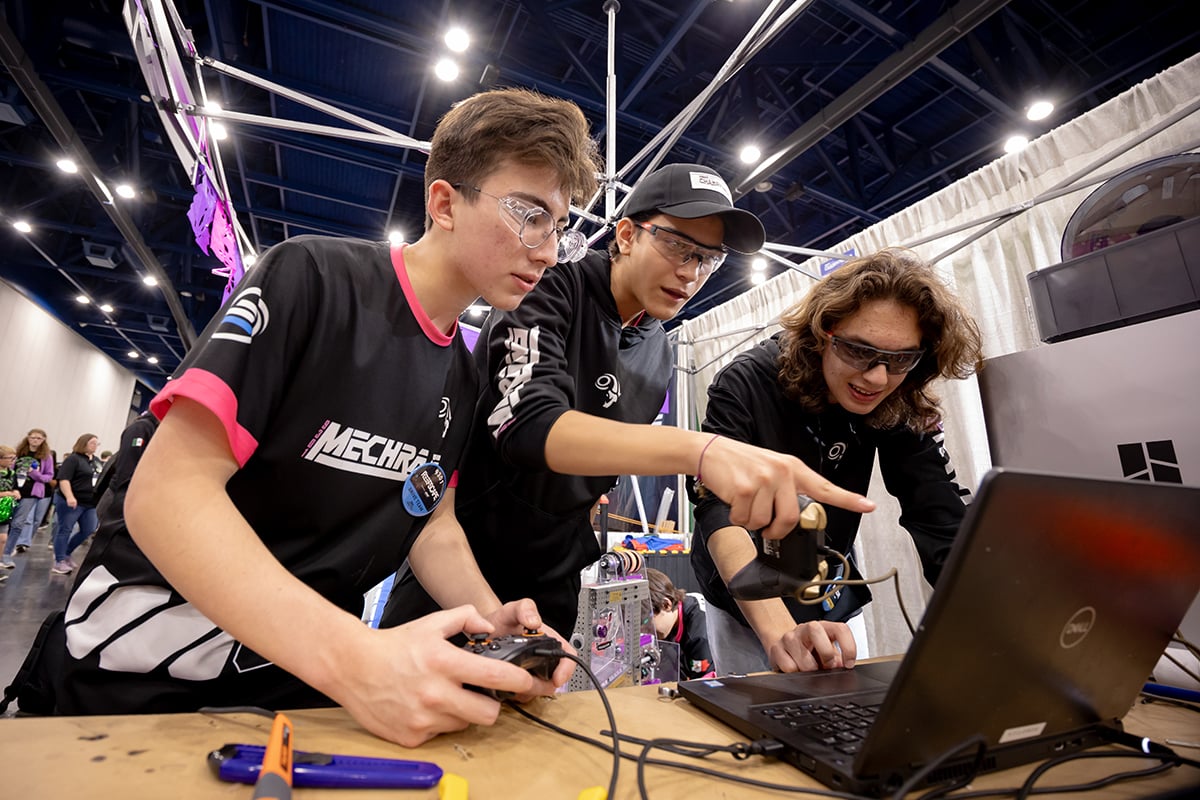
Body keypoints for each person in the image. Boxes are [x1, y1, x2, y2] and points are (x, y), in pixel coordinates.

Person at [50, 87, 600, 747]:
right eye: (529, 213)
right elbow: (167, 494)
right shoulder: (310, 279)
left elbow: (431, 518)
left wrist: (491, 620)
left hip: (297, 701)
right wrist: (356, 658)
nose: (547, 249)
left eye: (559, 226)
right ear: (445, 203)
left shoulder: (464, 370)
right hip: (127, 692)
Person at [383, 162, 876, 638]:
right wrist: (702, 451)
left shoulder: (659, 350)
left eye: (707, 259)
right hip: (463, 560)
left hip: (556, 574)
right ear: (625, 236)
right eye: (679, 246)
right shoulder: (554, 284)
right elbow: (527, 423)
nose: (691, 273)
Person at [689, 248, 983, 674]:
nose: (877, 377)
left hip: (829, 589)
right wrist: (779, 635)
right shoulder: (746, 382)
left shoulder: (896, 397)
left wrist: (997, 617)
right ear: (824, 331)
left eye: (901, 359)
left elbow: (939, 515)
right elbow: (717, 510)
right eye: (859, 351)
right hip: (747, 599)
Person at [645, 567, 714, 680]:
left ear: (666, 605)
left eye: (647, 623)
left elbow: (703, 684)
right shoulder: (675, 612)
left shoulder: (700, 635)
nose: (644, 631)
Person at [0, 428, 55, 566]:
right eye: (32, 437)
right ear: (28, 438)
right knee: (5, 521)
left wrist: (33, 473)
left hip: (30, 493)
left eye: (38, 438)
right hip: (12, 490)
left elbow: (48, 477)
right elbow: (8, 469)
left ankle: (6, 553)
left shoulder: (46, 457)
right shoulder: (18, 453)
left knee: (18, 523)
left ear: (43, 440)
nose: (35, 440)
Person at [50, 433, 101, 575]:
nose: (95, 445)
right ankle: (59, 561)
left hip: (90, 502)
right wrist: (69, 496)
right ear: (83, 443)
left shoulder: (96, 461)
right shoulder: (73, 459)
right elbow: (64, 479)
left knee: (89, 529)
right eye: (92, 442)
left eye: (97, 443)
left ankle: (66, 553)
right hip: (72, 500)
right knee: (65, 529)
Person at [0, 445, 19, 583]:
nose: (12, 461)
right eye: (9, 458)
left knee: (2, 539)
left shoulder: (11, 473)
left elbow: (13, 488)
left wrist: (15, 492)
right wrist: (4, 494)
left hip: (4, 509)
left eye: (14, 458)